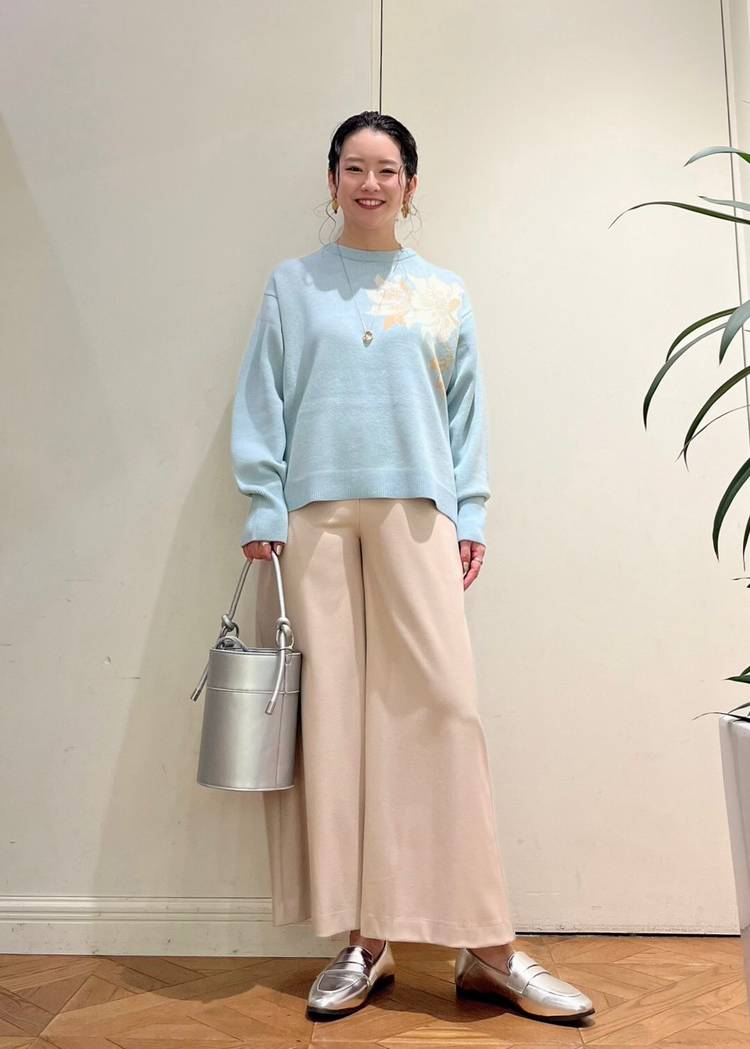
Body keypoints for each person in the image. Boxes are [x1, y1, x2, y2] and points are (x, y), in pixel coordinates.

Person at [230, 111, 594, 1024]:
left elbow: (467, 413)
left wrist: (471, 511)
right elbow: (263, 398)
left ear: (411, 185)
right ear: (331, 180)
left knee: (445, 710)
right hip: (313, 516)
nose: (370, 183)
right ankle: (363, 939)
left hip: (419, 511)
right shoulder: (293, 284)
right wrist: (263, 505)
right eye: (354, 167)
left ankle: (489, 945)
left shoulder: (441, 292)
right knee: (336, 727)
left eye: (387, 169)